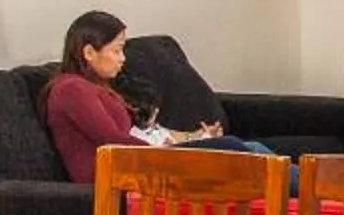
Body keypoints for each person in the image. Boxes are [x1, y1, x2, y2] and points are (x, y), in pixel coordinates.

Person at [42, 10, 274, 183]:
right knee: (230, 147)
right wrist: (165, 153)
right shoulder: (70, 90)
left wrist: (192, 138)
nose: (123, 58)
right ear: (89, 52)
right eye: (116, 50)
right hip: (115, 179)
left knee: (247, 146)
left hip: (137, 165)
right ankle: (304, 189)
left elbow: (137, 133)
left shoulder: (99, 88)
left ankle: (304, 188)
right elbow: (113, 140)